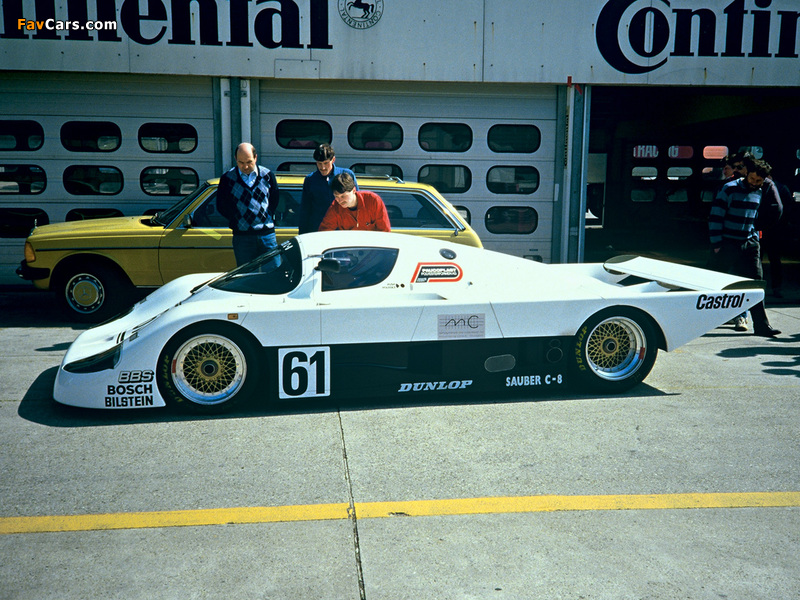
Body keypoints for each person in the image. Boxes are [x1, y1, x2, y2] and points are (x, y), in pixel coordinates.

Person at [708, 158, 781, 337]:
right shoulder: (729, 188)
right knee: (714, 284)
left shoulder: (760, 191)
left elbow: (755, 216)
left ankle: (762, 326)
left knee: (756, 285)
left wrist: (754, 237)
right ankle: (699, 321)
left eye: (759, 181)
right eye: (752, 179)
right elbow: (715, 217)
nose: (754, 183)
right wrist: (717, 244)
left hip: (749, 243)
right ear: (747, 173)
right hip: (728, 243)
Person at [217, 143, 280, 266]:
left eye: (249, 162)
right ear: (235, 159)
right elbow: (221, 205)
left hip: (266, 234)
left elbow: (275, 199)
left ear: (255, 158)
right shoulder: (227, 179)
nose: (245, 166)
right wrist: (237, 219)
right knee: (246, 273)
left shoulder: (267, 175)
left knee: (274, 270)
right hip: (242, 237)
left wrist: (266, 216)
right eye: (241, 162)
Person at [298, 144, 358, 234]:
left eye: (326, 163)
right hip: (319, 231)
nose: (323, 167)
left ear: (333, 160)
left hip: (344, 231)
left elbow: (357, 203)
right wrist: (302, 234)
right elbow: (305, 209)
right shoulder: (310, 180)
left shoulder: (347, 175)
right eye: (319, 163)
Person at [319, 172, 391, 232]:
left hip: (373, 244)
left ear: (354, 190)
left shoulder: (373, 201)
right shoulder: (335, 208)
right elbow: (324, 232)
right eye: (336, 196)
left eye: (343, 196)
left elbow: (385, 231)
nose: (339, 200)